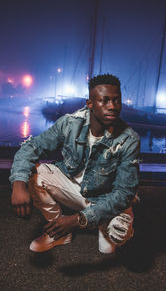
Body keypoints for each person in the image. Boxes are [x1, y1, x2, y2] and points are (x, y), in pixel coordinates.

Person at [10, 74, 140, 254]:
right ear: (90, 104)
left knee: (118, 235)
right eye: (104, 101)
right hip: (75, 190)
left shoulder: (129, 139)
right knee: (34, 175)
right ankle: (57, 231)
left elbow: (124, 193)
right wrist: (18, 183)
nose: (112, 106)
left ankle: (102, 224)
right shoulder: (70, 124)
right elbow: (32, 147)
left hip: (106, 199)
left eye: (116, 100)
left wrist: (77, 220)